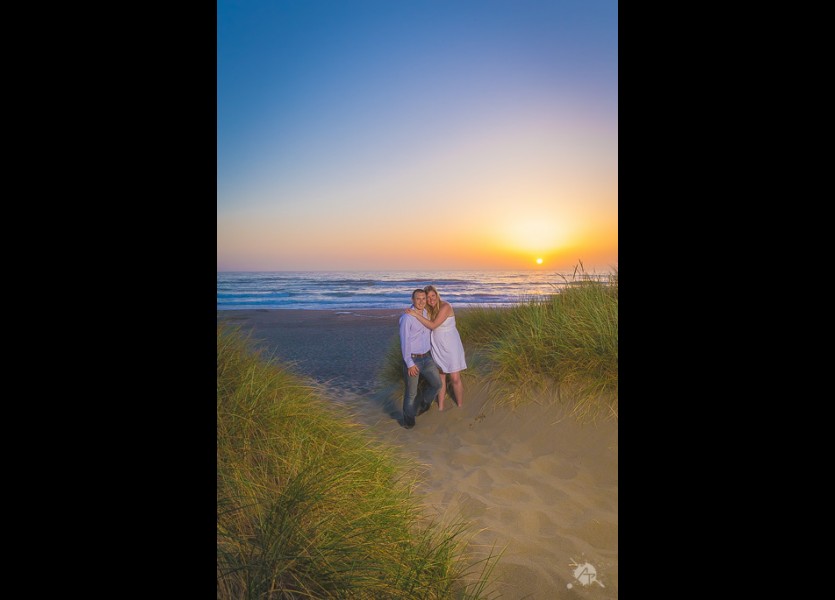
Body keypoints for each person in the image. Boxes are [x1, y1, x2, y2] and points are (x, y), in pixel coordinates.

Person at [405, 284, 467, 411]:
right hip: (437, 346)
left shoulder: (445, 306)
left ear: (437, 295)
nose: (431, 299)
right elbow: (417, 307)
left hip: (451, 347)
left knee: (455, 378)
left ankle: (460, 406)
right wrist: (412, 310)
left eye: (433, 296)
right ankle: (441, 407)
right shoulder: (429, 309)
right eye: (428, 297)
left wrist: (416, 315)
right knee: (441, 377)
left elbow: (433, 325)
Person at [398, 288, 443, 429]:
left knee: (437, 384)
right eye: (418, 299)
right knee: (411, 393)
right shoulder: (406, 318)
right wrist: (409, 363)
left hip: (427, 357)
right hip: (413, 360)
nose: (422, 301)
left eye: (424, 299)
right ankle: (408, 420)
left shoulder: (426, 313)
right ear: (413, 300)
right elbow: (404, 342)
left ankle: (423, 404)